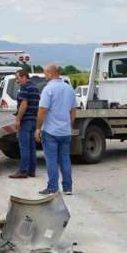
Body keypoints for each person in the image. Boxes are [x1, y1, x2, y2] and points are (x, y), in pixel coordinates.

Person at [35, 63, 77, 195]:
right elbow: (73, 111)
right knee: (65, 158)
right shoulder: (69, 88)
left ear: (50, 74)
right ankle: (68, 188)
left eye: (45, 73)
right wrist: (68, 124)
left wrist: (38, 128)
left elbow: (42, 110)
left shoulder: (48, 89)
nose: (44, 75)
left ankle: (53, 187)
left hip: (51, 131)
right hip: (65, 131)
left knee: (51, 160)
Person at [9, 70, 40, 179]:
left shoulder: (25, 88)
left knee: (24, 147)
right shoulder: (35, 88)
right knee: (31, 147)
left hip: (26, 120)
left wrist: (18, 119)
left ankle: (23, 171)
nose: (17, 81)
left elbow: (24, 104)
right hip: (34, 120)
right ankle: (31, 171)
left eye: (17, 78)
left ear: (23, 77)